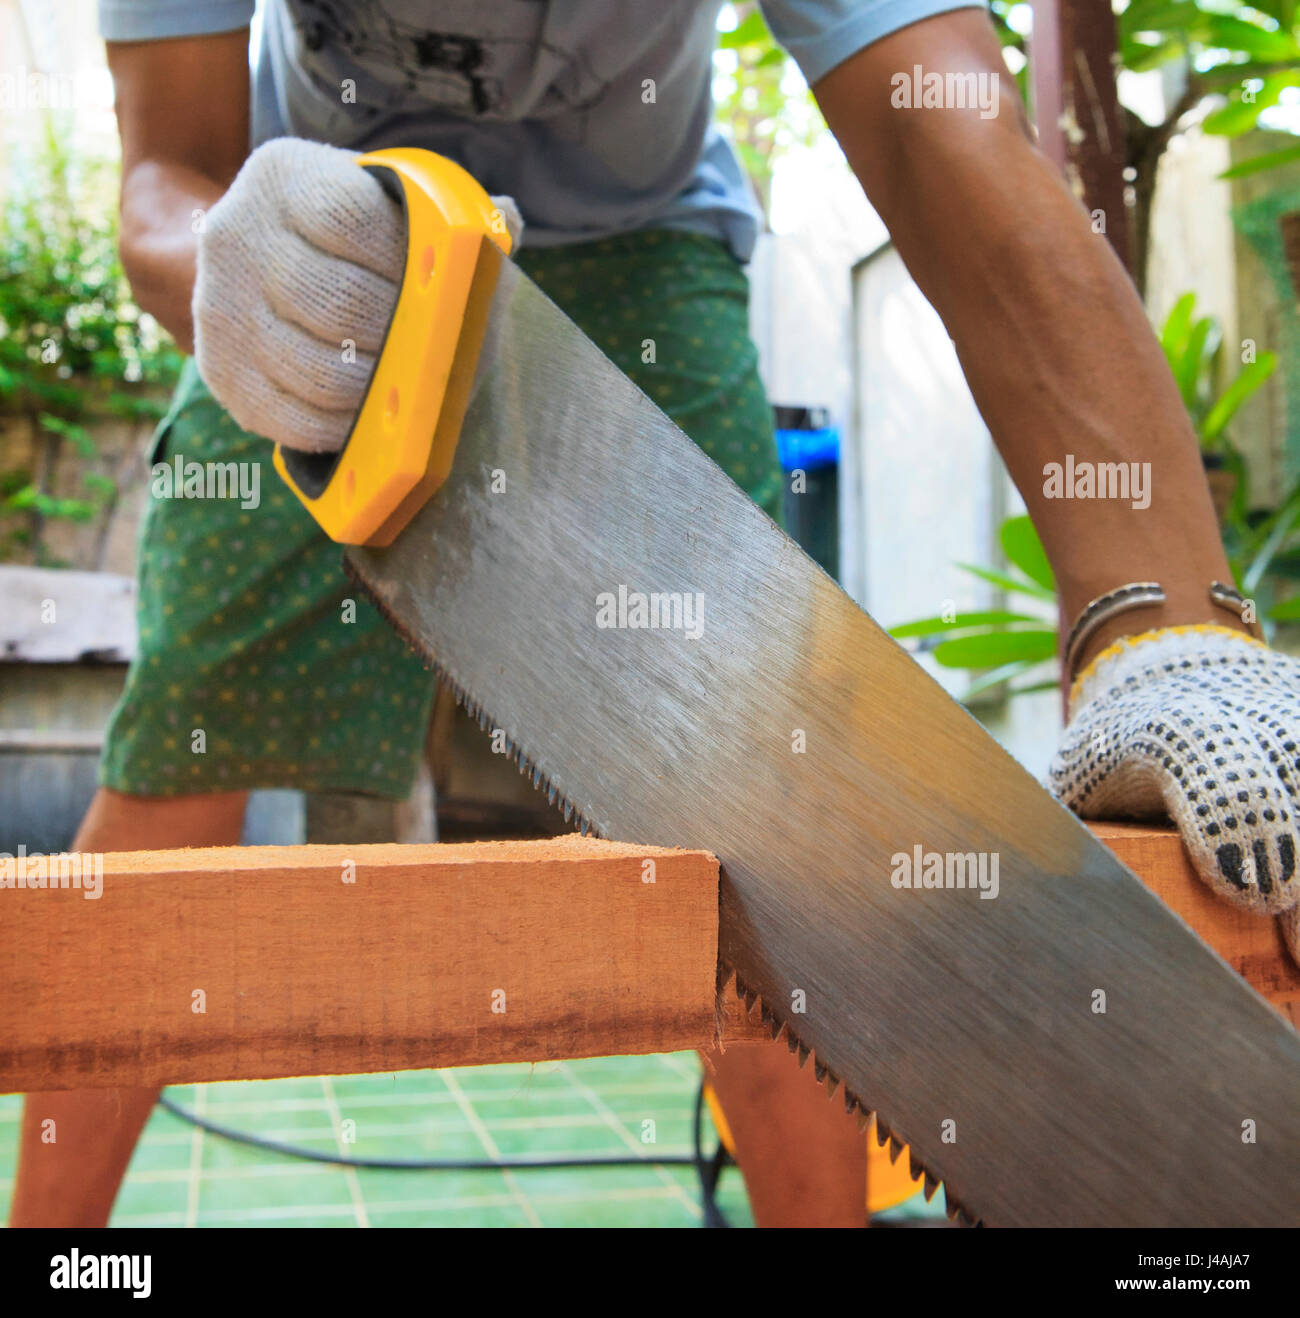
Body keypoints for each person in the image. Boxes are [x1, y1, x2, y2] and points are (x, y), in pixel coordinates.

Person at [11, 0, 1297, 1229]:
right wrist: (228, 261)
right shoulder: (284, 245)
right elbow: (163, 176)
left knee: (759, 825)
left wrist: (1162, 623)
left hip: (647, 242)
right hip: (321, 240)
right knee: (182, 759)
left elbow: (937, 117)